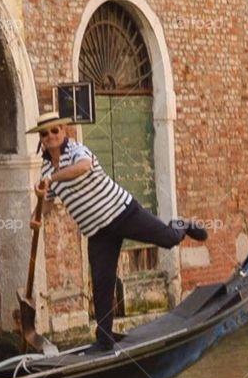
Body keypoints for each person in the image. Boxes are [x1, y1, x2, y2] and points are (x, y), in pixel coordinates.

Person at [29, 111, 208, 350]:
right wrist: (36, 214)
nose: (50, 136)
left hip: (123, 212)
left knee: (169, 239)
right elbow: (49, 202)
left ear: (64, 131)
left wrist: (52, 178)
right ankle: (104, 339)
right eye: (45, 133)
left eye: (55, 130)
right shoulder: (44, 171)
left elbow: (83, 167)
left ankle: (180, 225)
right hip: (97, 232)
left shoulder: (77, 151)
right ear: (41, 139)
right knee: (102, 284)